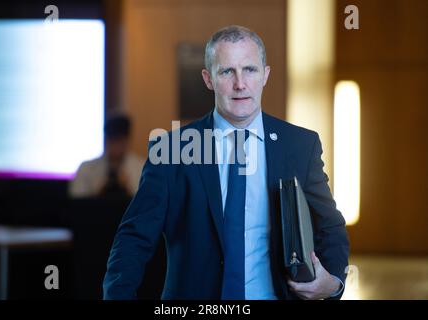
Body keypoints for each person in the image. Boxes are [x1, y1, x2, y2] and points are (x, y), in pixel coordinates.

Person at [103, 25, 349, 300]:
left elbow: (330, 226)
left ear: (265, 75)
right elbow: (134, 238)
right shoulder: (171, 150)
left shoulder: (300, 146)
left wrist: (334, 282)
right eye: (226, 71)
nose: (240, 83)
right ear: (208, 79)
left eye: (250, 70)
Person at [69, 114, 144, 199]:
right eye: (111, 139)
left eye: (118, 140)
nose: (114, 145)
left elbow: (148, 204)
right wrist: (98, 192)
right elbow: (76, 203)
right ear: (105, 139)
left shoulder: (142, 169)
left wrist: (128, 190)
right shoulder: (86, 168)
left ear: (127, 140)